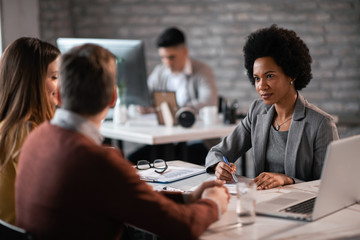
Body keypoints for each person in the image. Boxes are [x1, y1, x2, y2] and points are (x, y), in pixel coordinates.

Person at [15, 44, 230, 240]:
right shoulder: (99, 162)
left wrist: (187, 198)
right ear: (113, 97)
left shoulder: (36, 138)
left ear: (59, 95)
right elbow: (185, 227)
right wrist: (213, 203)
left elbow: (128, 199)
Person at [205, 25, 339, 190]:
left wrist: (288, 180)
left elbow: (330, 186)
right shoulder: (257, 112)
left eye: (269, 76)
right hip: (262, 202)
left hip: (302, 207)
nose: (262, 86)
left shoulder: (321, 124)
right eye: (256, 78)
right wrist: (219, 166)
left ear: (292, 74)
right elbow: (217, 152)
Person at [129, 27, 219, 164]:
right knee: (132, 160)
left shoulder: (202, 70)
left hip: (197, 142)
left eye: (172, 57)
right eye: (163, 57)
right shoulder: (160, 72)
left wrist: (172, 109)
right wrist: (142, 105)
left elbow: (209, 102)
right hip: (167, 140)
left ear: (185, 51)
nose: (167, 63)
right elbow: (143, 97)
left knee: (171, 161)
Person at [0, 37, 60, 224]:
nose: (59, 86)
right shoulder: (28, 131)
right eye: (54, 77)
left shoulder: (6, 127)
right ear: (31, 83)